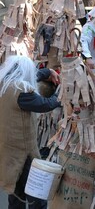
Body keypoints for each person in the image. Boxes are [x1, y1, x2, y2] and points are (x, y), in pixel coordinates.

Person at [0, 55, 61, 209]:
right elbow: (46, 104)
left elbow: (30, 74)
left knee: (16, 193)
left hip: (8, 150)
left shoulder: (4, 83)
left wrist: (48, 72)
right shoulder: (21, 92)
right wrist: (61, 93)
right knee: (36, 195)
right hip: (24, 152)